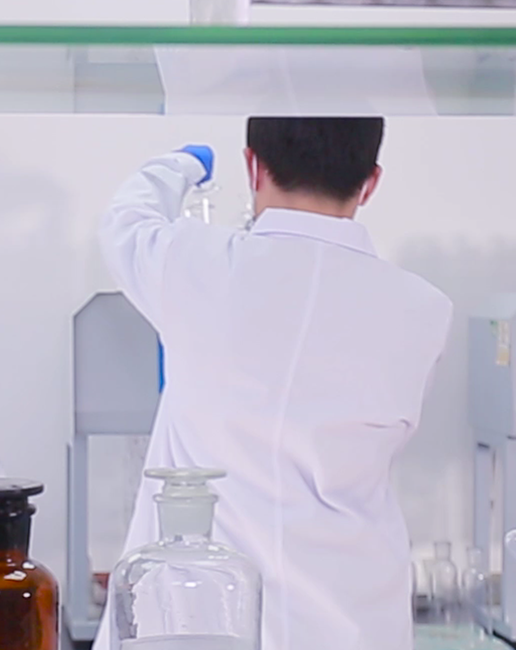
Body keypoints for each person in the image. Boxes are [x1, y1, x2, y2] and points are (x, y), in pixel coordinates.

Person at [94, 117, 453, 650]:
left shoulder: (196, 265)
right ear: (371, 182)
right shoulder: (424, 310)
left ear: (253, 166)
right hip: (353, 624)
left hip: (203, 626)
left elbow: (125, 219)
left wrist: (182, 165)